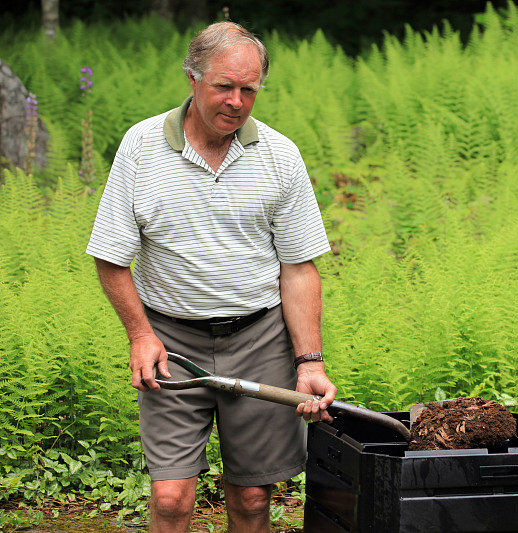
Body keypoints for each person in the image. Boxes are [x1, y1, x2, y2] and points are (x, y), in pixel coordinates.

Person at [86, 21, 336, 533]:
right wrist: (141, 336)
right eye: (225, 86)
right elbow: (111, 257)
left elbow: (298, 267)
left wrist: (309, 360)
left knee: (250, 497)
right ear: (193, 79)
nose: (238, 101)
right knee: (173, 497)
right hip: (171, 341)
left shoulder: (279, 155)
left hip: (260, 337)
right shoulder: (140, 148)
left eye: (250, 89)